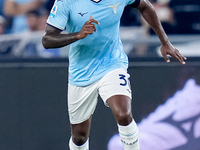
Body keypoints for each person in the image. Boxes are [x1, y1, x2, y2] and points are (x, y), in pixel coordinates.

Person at [42, 0, 187, 149]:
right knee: (79, 136)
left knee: (123, 114)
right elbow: (47, 40)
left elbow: (144, 6)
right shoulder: (66, 2)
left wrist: (165, 41)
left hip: (112, 64)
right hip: (81, 72)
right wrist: (78, 35)